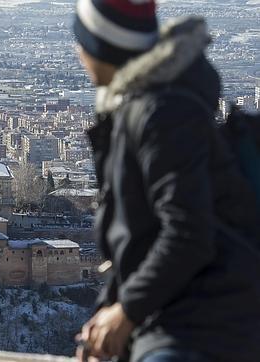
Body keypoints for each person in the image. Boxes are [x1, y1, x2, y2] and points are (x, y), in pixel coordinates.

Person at [72, 1, 260, 361]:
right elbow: (138, 241)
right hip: (180, 321)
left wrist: (126, 312)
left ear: (102, 46)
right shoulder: (138, 108)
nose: (77, 51)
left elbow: (187, 233)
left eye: (81, 40)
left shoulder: (161, 113)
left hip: (203, 328)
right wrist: (106, 321)